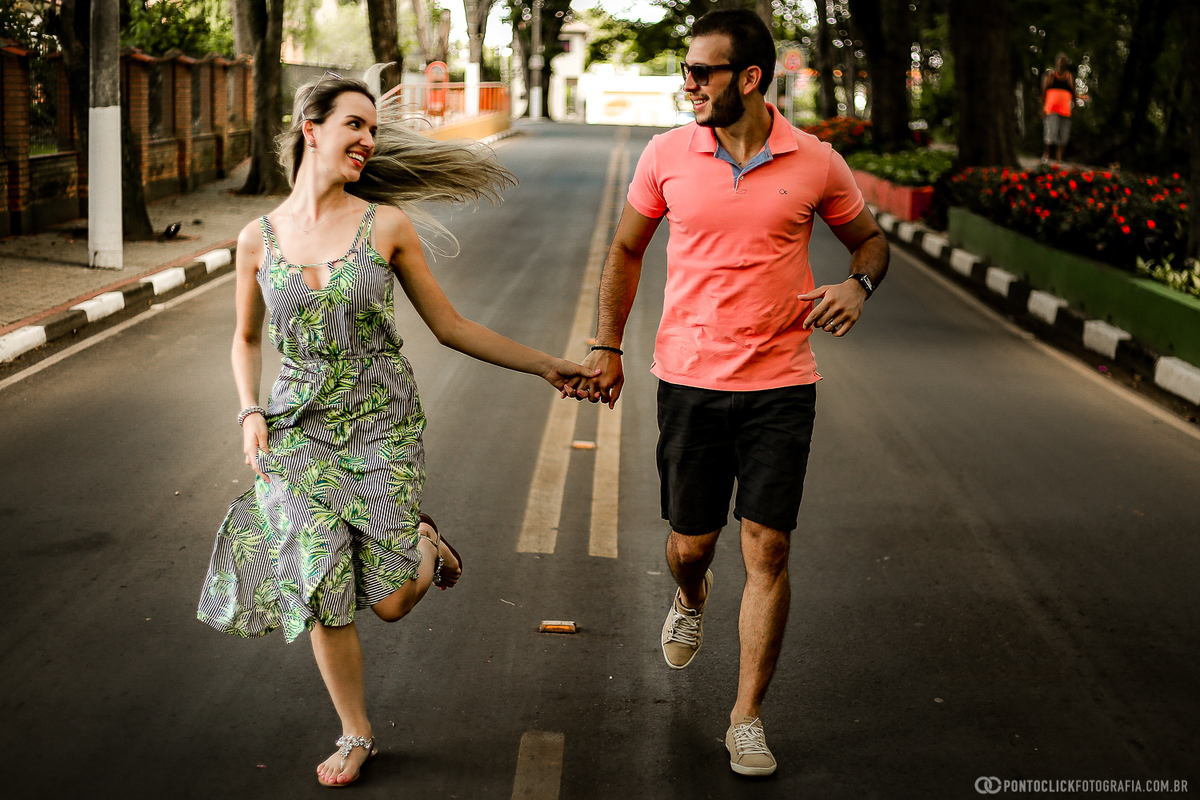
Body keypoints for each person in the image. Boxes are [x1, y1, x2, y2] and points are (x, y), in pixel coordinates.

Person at [197, 73, 595, 787]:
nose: (368, 140)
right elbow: (245, 339)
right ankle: (356, 734)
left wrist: (545, 366)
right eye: (355, 124)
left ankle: (423, 542)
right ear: (310, 128)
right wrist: (249, 410)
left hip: (382, 427)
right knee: (319, 582)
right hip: (300, 430)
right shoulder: (256, 239)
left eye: (374, 129)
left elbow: (451, 327)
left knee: (386, 604)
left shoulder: (384, 225)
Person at [572, 10, 889, 777]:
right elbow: (625, 248)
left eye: (701, 72)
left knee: (769, 546)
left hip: (783, 383)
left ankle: (746, 716)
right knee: (692, 544)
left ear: (748, 78)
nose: (687, 84)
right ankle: (690, 595)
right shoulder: (666, 155)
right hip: (689, 379)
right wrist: (608, 346)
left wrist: (858, 284)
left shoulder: (814, 161)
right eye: (685, 70)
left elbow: (869, 241)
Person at [1041, 53, 1076, 163]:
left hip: (1065, 110)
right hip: (1051, 110)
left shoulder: (1069, 77)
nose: (1063, 63)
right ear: (1057, 61)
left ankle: (1059, 158)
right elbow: (1043, 92)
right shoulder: (1050, 76)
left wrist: (1076, 108)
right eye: (1061, 60)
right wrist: (1041, 107)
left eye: (1065, 61)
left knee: (1064, 136)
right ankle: (1046, 155)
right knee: (1050, 132)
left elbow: (1073, 93)